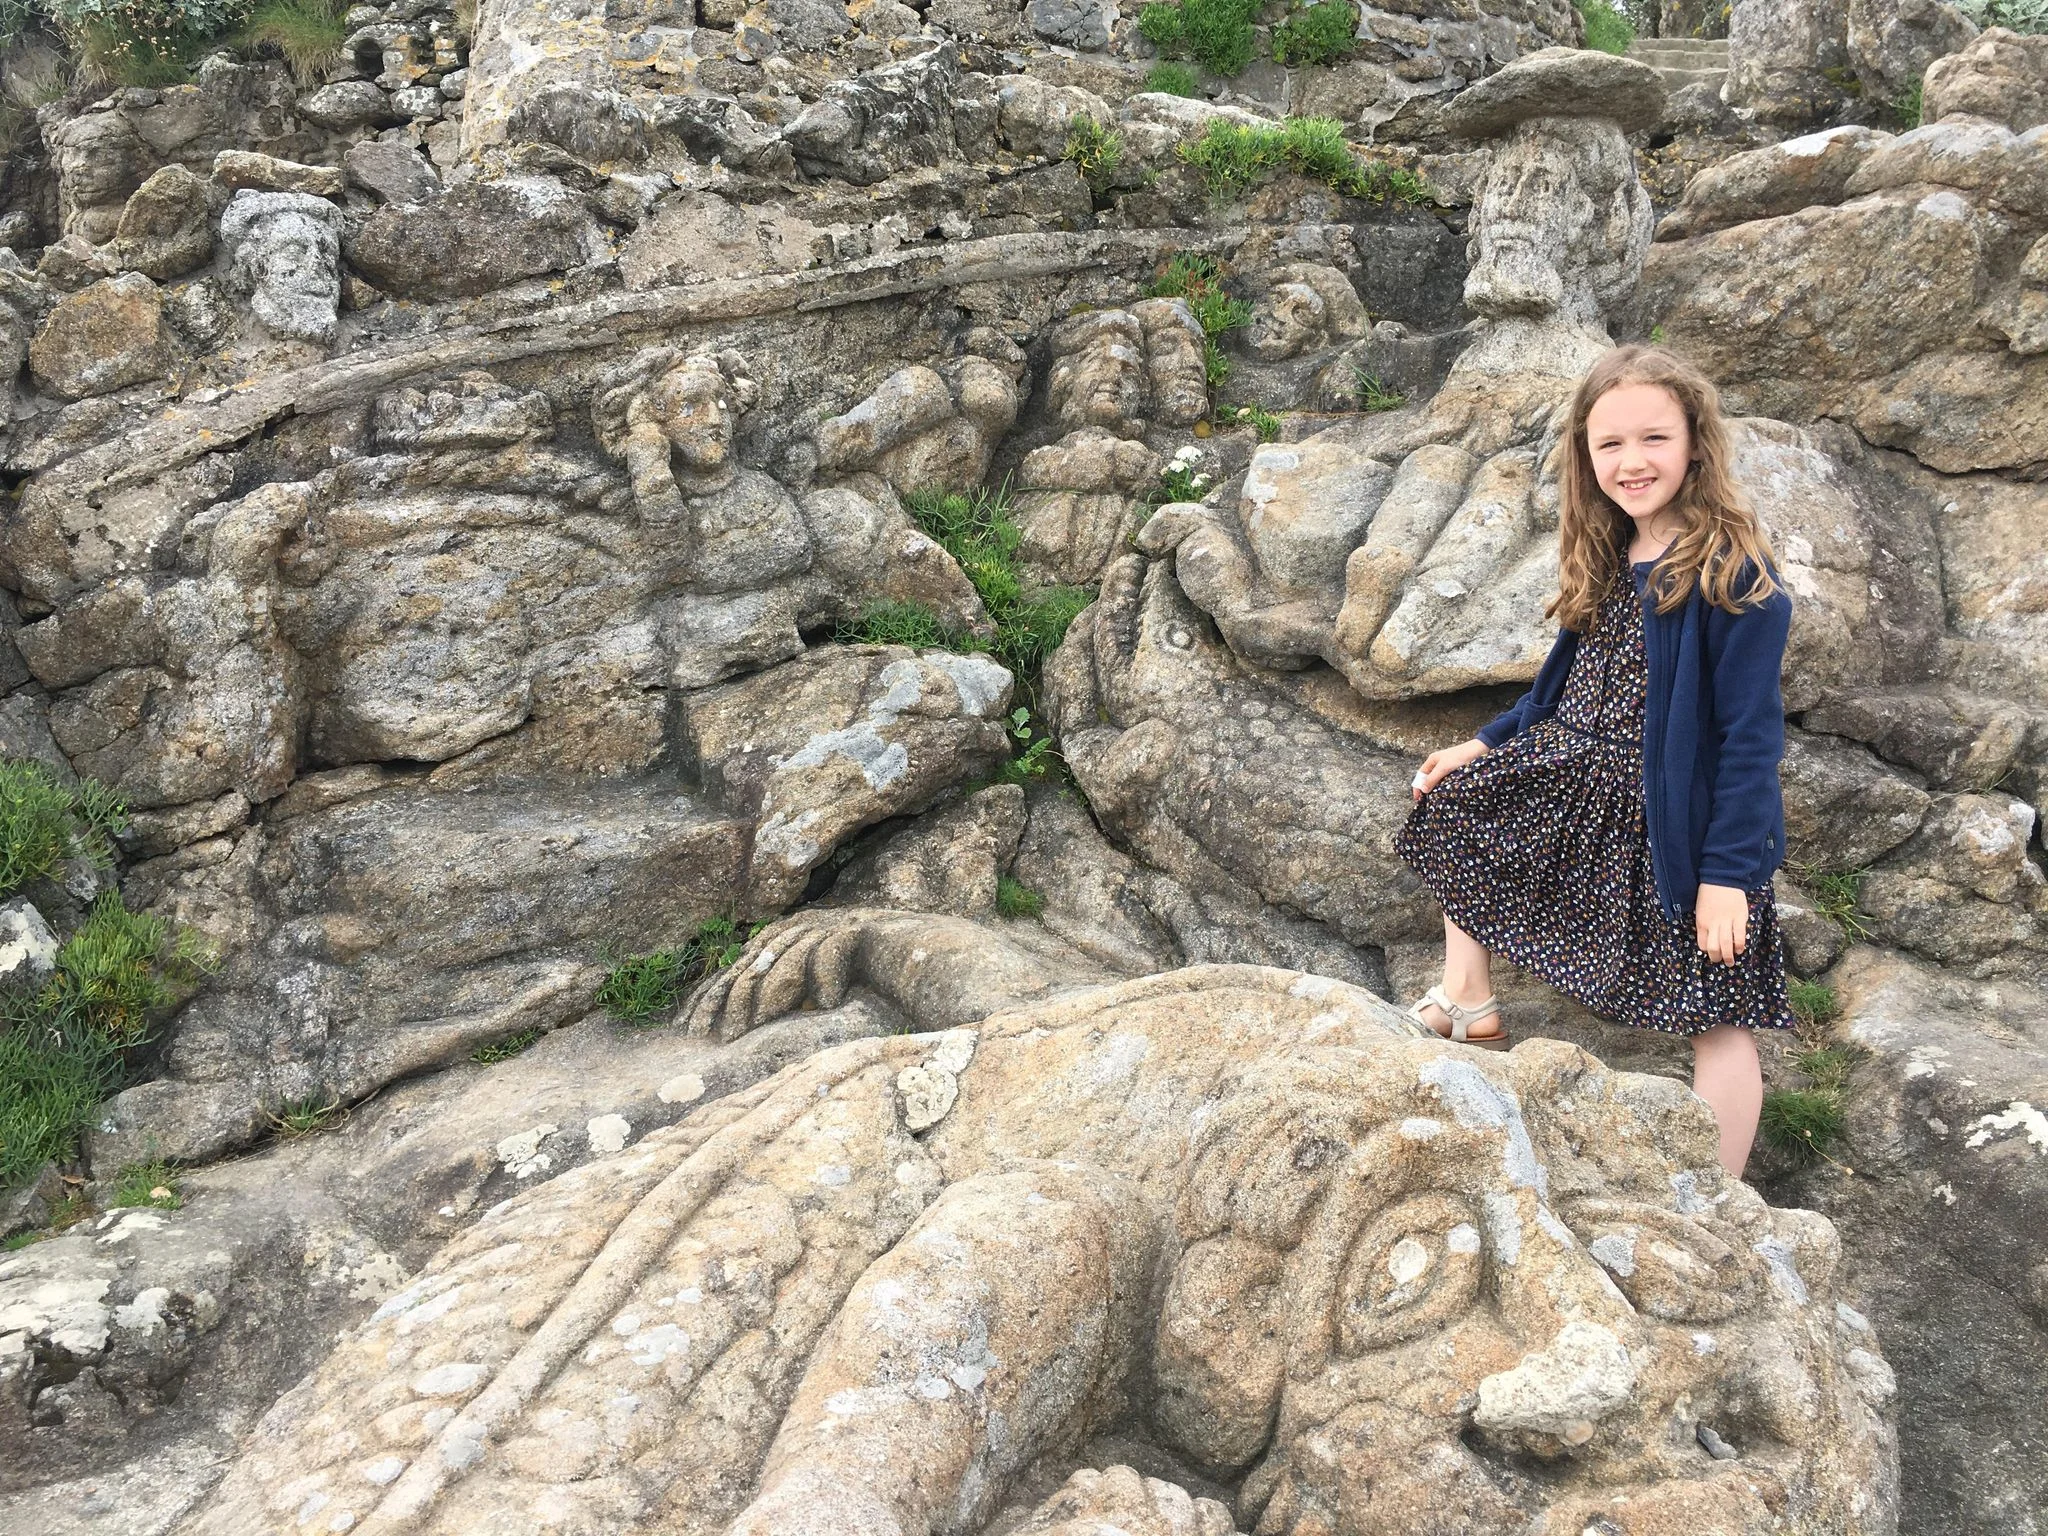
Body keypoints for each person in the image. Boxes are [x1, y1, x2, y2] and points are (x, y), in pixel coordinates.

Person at [1395, 344, 1795, 1177]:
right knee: (1455, 806)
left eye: (1654, 438)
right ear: (1586, 454)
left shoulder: (1734, 578)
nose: (1631, 461)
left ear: (1695, 444)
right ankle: (1467, 1000)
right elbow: (1559, 686)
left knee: (1718, 1009)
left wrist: (1727, 877)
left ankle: (1722, 1194)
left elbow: (1751, 741)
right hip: (1572, 774)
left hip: (1670, 818)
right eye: (1609, 443)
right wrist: (1483, 742)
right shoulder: (1611, 548)